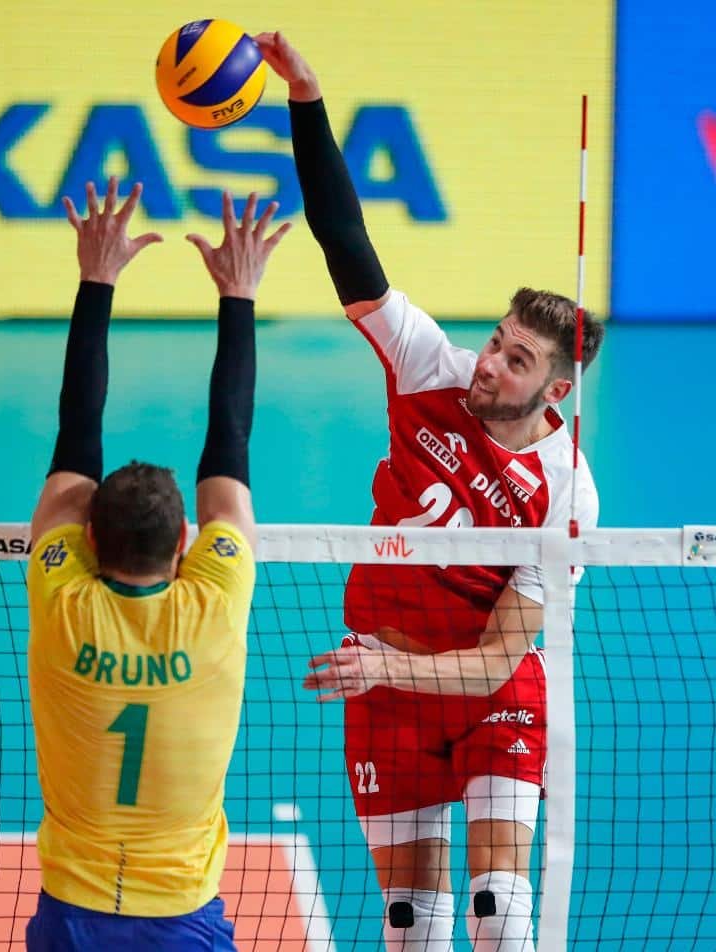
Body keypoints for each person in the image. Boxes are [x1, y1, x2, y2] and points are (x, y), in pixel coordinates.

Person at [253, 31, 605, 952]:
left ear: (555, 391)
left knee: (500, 912)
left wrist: (386, 665)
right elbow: (345, 242)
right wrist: (307, 99)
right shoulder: (428, 370)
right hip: (388, 688)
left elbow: (496, 662)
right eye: (494, 340)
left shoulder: (566, 493)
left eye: (517, 360)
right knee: (412, 924)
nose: (490, 363)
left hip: (486, 694)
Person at [23, 176, 290, 951]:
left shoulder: (64, 603)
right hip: (181, 916)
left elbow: (75, 439)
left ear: (90, 543)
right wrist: (238, 295)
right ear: (186, 546)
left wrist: (95, 278)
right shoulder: (214, 603)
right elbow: (229, 450)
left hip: (71, 912)